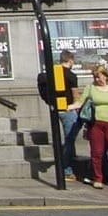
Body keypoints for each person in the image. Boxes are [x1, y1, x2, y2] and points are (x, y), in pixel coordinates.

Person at [37, 50, 82, 181]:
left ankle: (70, 162)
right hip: (68, 109)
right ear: (70, 60)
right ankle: (67, 169)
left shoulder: (52, 73)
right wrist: (77, 108)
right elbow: (75, 95)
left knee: (67, 138)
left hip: (55, 109)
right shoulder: (71, 75)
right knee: (69, 138)